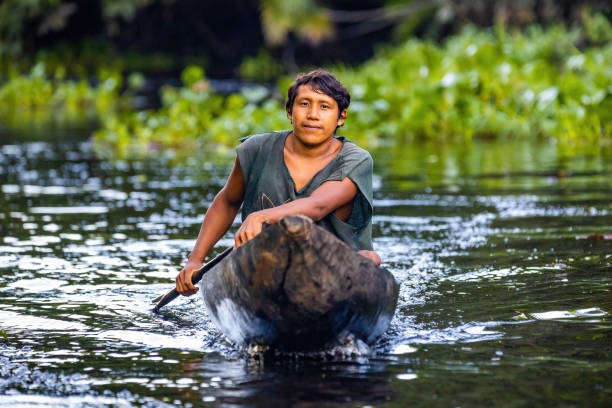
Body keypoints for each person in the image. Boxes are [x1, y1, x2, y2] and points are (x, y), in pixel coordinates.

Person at [176, 69, 381, 296]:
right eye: (304, 104)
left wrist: (261, 216)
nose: (313, 114)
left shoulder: (356, 160)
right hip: (264, 267)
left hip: (333, 271)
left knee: (369, 258)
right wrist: (195, 260)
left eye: (324, 107)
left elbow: (317, 205)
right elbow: (228, 201)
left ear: (341, 117)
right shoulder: (255, 149)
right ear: (289, 112)